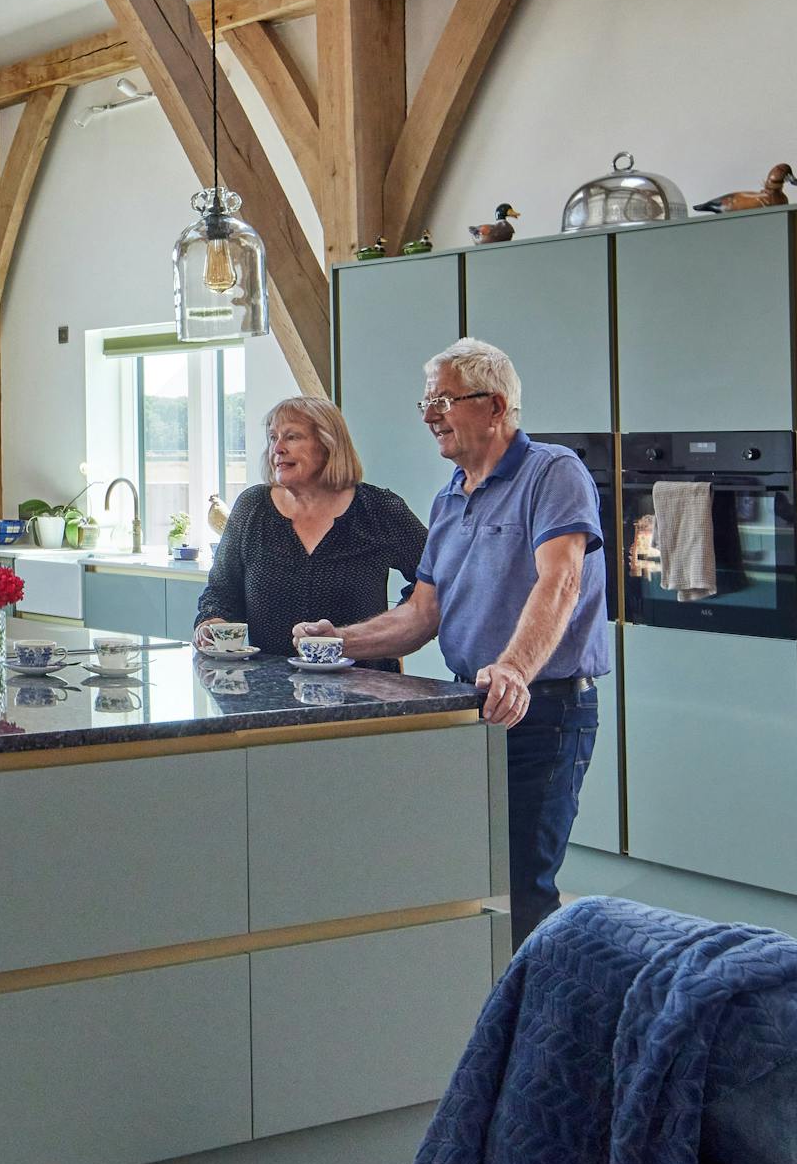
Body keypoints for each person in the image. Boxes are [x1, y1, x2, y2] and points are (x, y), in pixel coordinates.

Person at [296, 338, 607, 944]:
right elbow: (421, 613)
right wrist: (341, 641)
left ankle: (534, 1026)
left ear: (494, 407)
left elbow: (561, 579)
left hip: (544, 707)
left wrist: (513, 668)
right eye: (426, 401)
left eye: (443, 399)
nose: (429, 414)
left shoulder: (553, 472)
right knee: (468, 884)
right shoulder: (448, 498)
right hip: (471, 708)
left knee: (523, 889)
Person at [193, 397, 428, 662]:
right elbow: (221, 593)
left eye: (292, 437)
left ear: (328, 445)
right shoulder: (252, 507)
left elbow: (439, 579)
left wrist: (398, 626)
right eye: (273, 438)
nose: (278, 448)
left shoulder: (377, 508)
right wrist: (210, 624)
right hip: (270, 692)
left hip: (364, 690)